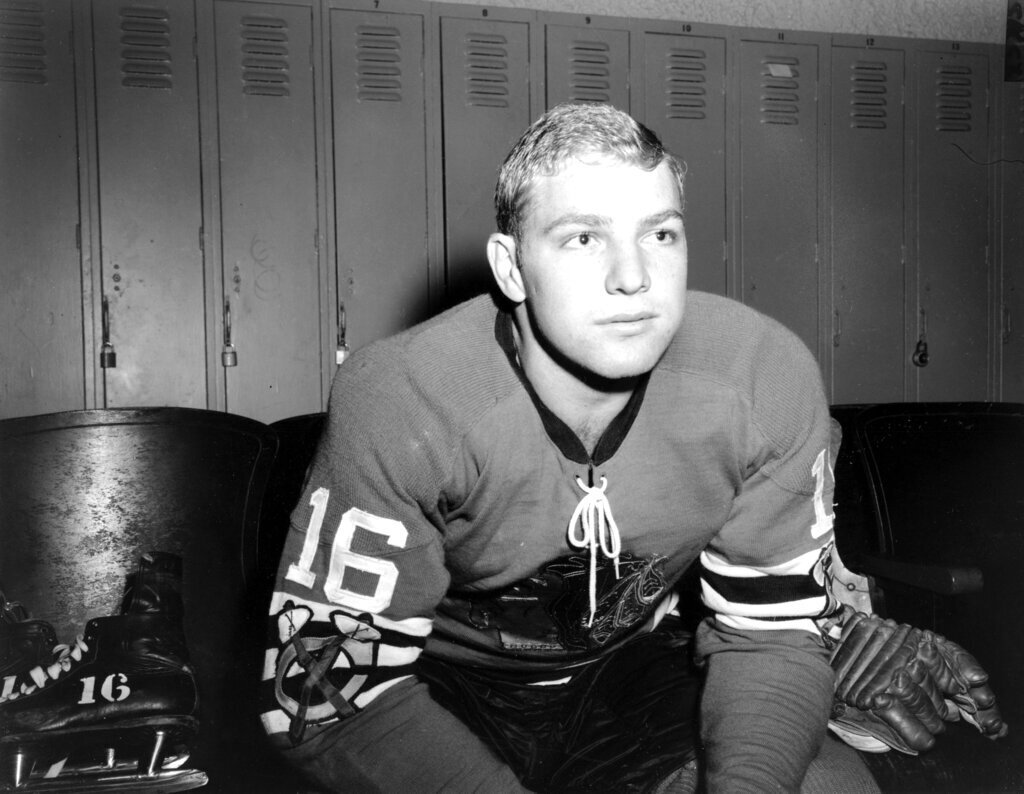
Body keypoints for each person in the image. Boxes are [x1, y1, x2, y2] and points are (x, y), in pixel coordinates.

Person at [259, 102, 880, 792]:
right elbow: (322, 697)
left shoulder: (763, 376)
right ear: (512, 266)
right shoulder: (404, 395)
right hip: (434, 688)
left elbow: (770, 636)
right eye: (584, 238)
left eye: (661, 234)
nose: (633, 277)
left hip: (623, 670)